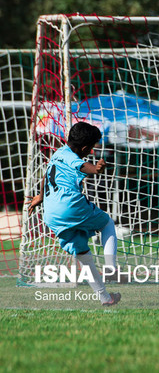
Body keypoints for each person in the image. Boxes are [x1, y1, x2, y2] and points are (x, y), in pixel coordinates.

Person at [27, 122, 121, 306]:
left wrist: (40, 195)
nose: (91, 151)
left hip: (51, 214)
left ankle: (105, 298)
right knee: (107, 224)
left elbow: (46, 176)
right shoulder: (73, 157)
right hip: (70, 205)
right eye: (91, 148)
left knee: (82, 253)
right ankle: (111, 267)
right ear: (85, 148)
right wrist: (96, 169)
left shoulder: (58, 153)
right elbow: (82, 166)